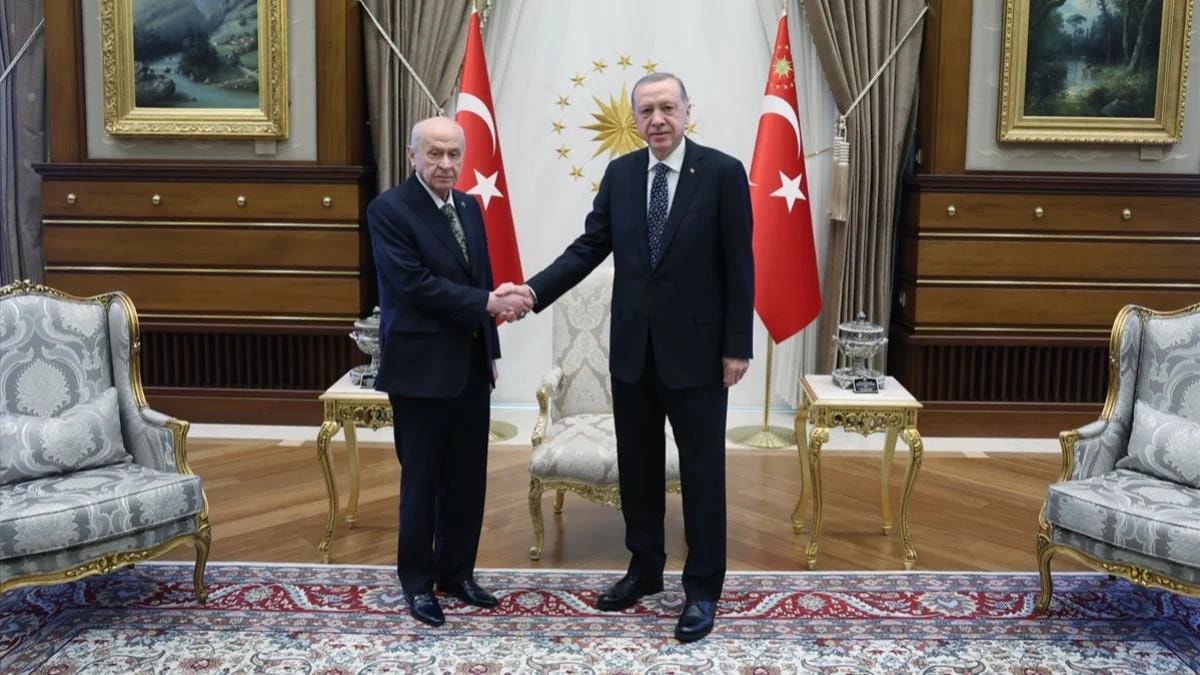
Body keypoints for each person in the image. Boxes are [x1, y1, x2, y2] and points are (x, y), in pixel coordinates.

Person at [502, 72, 754, 642]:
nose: (657, 119)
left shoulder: (722, 173)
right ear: (634, 118)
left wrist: (737, 346)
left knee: (702, 474)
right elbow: (589, 248)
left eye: (667, 107)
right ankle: (644, 570)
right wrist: (533, 292)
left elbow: (740, 264)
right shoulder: (620, 175)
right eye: (646, 110)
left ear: (687, 111)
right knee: (638, 471)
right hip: (633, 354)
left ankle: (702, 590)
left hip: (699, 356)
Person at [366, 116, 532, 627]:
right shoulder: (389, 210)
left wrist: (492, 350)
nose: (445, 164)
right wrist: (488, 301)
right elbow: (413, 284)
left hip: (470, 369)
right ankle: (417, 584)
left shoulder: (470, 206)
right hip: (420, 372)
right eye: (434, 153)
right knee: (422, 481)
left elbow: (480, 280)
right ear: (412, 155)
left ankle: (456, 573)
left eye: (453, 154)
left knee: (466, 479)